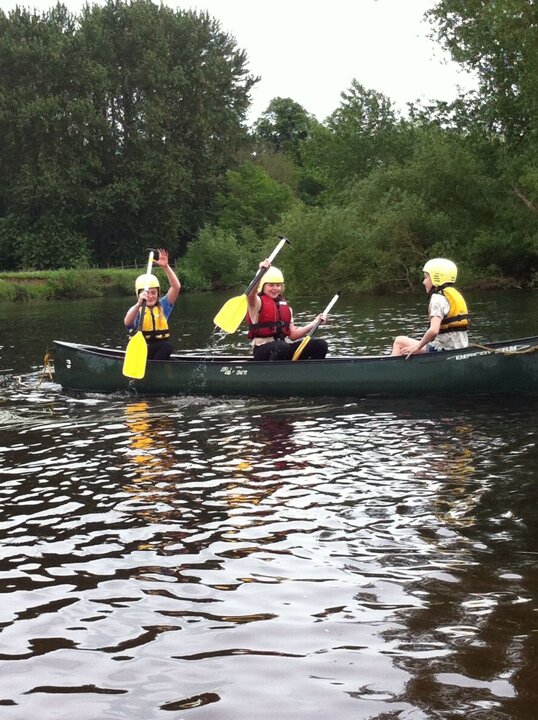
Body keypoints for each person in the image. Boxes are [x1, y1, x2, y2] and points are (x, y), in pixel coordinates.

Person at [246, 259, 329, 361]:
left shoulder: (287, 308)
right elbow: (250, 294)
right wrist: (261, 272)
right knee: (282, 346)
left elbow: (293, 335)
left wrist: (314, 323)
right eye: (271, 285)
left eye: (278, 285)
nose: (275, 288)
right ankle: (271, 371)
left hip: (282, 349)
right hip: (263, 351)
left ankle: (311, 370)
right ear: (262, 286)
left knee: (320, 345)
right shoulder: (256, 303)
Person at [391, 258, 470, 358]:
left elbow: (433, 331)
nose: (424, 282)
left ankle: (390, 366)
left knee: (399, 341)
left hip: (443, 350)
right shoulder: (455, 295)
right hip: (460, 349)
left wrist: (418, 347)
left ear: (436, 278)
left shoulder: (437, 298)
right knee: (413, 346)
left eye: (426, 277)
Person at [124, 248, 181, 360]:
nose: (150, 296)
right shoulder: (136, 309)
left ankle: (159, 366)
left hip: (159, 351)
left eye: (153, 293)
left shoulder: (163, 306)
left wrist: (166, 267)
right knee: (167, 346)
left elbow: (176, 287)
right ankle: (157, 367)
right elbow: (127, 322)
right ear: (139, 294)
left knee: (167, 348)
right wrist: (139, 304)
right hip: (142, 351)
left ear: (158, 293)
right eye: (147, 293)